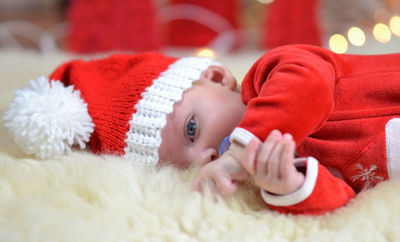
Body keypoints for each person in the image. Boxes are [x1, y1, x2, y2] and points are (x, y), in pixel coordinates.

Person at [4, 45, 400, 215]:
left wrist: (240, 153)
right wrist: (293, 186)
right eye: (187, 163)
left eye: (192, 129)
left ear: (217, 76)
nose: (207, 157)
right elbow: (346, 197)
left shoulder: (276, 72)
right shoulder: (269, 166)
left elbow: (309, 85)